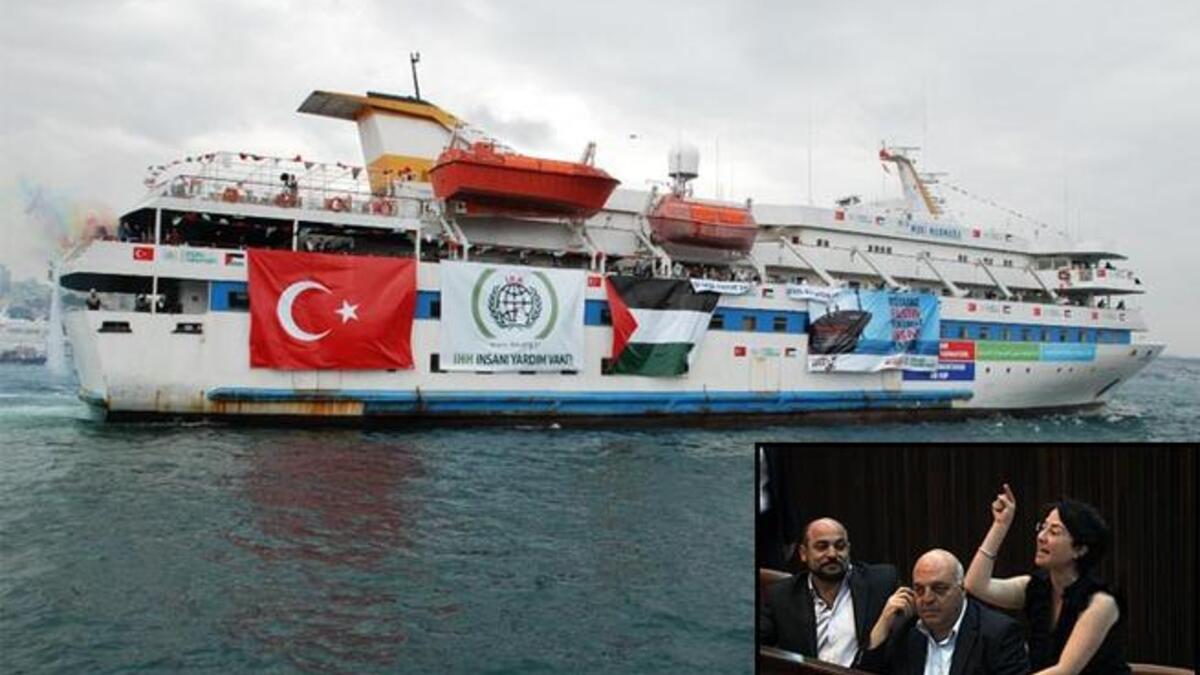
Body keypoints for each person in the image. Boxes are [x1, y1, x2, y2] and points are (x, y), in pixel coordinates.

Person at [965, 484, 1129, 674]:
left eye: (1054, 532)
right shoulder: (1035, 588)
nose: (1041, 537)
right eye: (1043, 527)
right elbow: (975, 584)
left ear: (1080, 549)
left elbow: (1065, 670)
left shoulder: (1101, 603)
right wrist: (1000, 525)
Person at [860, 549, 1028, 675]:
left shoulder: (998, 633)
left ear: (962, 589)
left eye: (938, 589)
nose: (927, 598)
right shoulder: (906, 632)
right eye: (919, 589)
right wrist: (883, 625)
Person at [759, 517, 899, 667]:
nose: (832, 554)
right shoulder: (781, 596)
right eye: (822, 546)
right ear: (803, 553)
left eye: (840, 546)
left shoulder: (881, 583)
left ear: (849, 549)